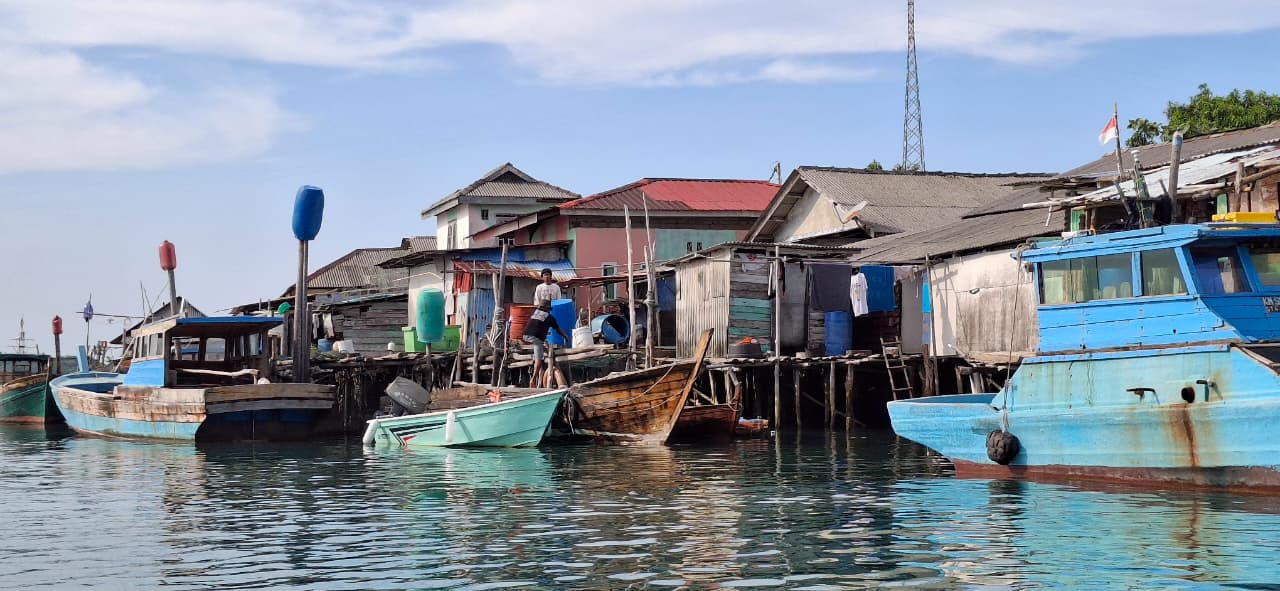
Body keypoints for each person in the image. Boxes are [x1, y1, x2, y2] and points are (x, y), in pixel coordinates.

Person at [522, 301, 570, 387]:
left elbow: (536, 326)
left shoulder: (535, 313)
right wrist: (565, 336)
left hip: (525, 336)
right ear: (547, 309)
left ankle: (536, 371)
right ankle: (533, 379)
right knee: (539, 359)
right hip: (535, 338)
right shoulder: (549, 317)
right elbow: (558, 329)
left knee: (540, 346)